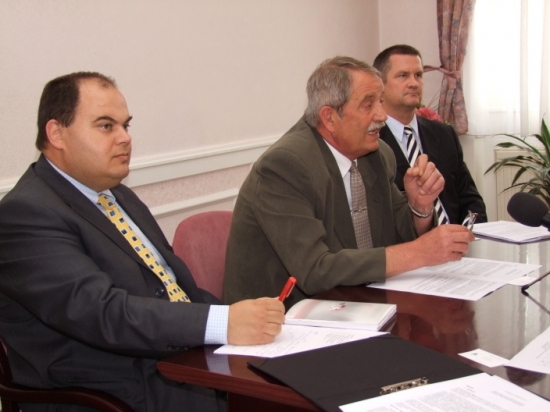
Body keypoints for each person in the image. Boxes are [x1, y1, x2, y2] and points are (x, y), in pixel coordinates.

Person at [0, 72, 285, 412]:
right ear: (57, 133)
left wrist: (242, 318)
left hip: (177, 364)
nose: (124, 138)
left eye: (125, 126)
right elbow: (101, 312)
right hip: (111, 392)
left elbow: (172, 287)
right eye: (106, 126)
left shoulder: (117, 195)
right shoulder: (25, 213)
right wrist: (222, 324)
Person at [223, 56, 474, 308]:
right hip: (282, 318)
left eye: (381, 101)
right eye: (368, 105)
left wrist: (419, 207)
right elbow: (315, 270)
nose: (382, 115)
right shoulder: (285, 166)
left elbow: (399, 238)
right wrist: (420, 252)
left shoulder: (378, 154)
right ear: (329, 117)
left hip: (357, 304)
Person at [373, 44, 487, 224]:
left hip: (459, 236)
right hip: (410, 239)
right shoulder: (371, 140)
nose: (413, 83)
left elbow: (469, 198)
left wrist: (470, 231)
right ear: (380, 84)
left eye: (418, 75)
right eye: (403, 76)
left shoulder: (444, 134)